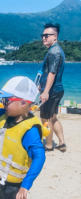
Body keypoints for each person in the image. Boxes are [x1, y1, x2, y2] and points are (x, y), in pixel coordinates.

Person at [40, 23, 66, 152]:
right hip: (57, 89)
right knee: (53, 117)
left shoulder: (54, 51)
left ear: (55, 37)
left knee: (46, 118)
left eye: (46, 35)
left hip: (52, 91)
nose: (43, 38)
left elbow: (52, 72)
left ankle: (49, 145)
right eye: (42, 35)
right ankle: (61, 143)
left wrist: (45, 91)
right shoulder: (55, 50)